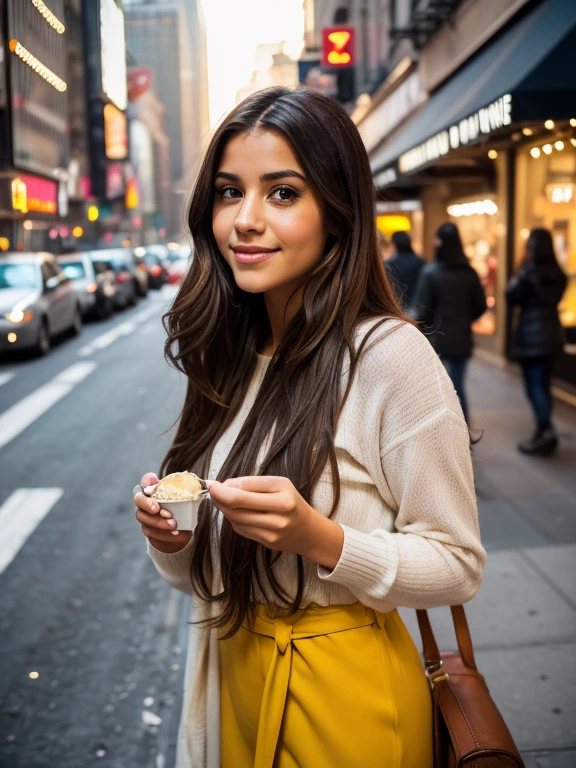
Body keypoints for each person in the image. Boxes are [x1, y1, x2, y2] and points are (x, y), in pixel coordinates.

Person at [133, 87, 485, 768]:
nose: (246, 219)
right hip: (230, 680)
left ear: (338, 212)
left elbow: (458, 565)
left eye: (283, 193)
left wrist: (320, 539)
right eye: (230, 192)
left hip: (344, 699)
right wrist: (172, 538)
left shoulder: (389, 356)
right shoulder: (230, 355)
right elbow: (202, 578)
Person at [412, 222, 487, 423]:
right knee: (458, 385)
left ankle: (444, 430)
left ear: (440, 242)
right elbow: (480, 305)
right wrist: (464, 319)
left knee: (438, 388)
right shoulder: (469, 272)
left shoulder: (431, 272)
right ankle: (463, 429)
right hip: (462, 337)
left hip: (436, 339)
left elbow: (422, 310)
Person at [506, 228, 567, 456]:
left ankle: (545, 429)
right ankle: (544, 428)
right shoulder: (556, 272)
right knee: (543, 384)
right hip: (551, 334)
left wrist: (523, 266)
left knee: (534, 387)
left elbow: (510, 294)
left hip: (532, 337)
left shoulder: (529, 271)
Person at [384, 230, 425, 310]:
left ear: (394, 244)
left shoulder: (391, 263)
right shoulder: (420, 262)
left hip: (397, 306)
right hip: (416, 306)